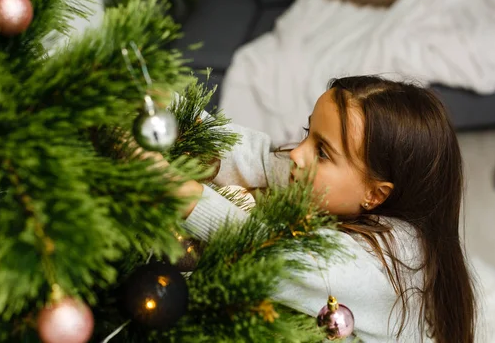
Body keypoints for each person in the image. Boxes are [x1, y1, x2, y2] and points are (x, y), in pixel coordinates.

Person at [176, 75, 477, 342]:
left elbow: (281, 259)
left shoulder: (387, 261)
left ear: (375, 194)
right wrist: (179, 119)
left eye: (321, 152)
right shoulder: (332, 186)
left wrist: (185, 196)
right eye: (308, 133)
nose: (297, 152)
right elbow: (265, 161)